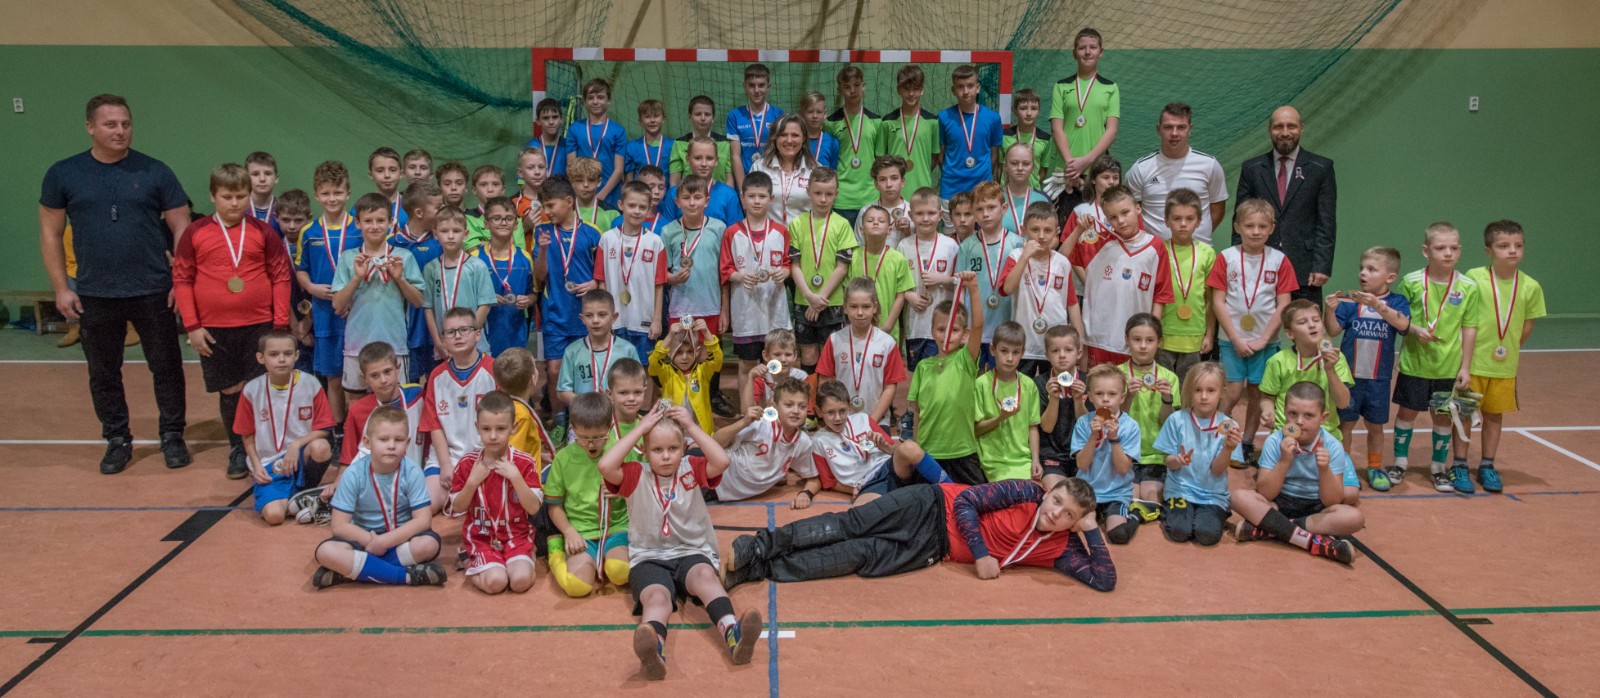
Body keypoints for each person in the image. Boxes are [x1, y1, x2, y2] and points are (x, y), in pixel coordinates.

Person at [39, 93, 193, 474]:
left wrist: (181, 280)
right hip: (94, 293)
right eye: (110, 124)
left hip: (153, 289)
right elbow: (50, 234)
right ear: (90, 127)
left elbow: (182, 226)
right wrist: (61, 288)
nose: (120, 131)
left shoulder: (156, 171)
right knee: (103, 372)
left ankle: (172, 435)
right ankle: (117, 439)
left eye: (125, 123)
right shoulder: (63, 174)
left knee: (167, 367)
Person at [598, 405, 762, 680]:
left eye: (673, 448)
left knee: (705, 578)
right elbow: (605, 465)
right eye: (657, 450)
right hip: (649, 557)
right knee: (657, 598)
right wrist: (640, 428)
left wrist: (690, 427)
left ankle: (734, 634)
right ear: (644, 450)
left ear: (684, 448)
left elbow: (722, 461)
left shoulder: (691, 468)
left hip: (691, 552)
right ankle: (654, 651)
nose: (665, 456)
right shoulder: (636, 474)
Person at [722, 477, 1115, 591]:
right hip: (930, 504)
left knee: (858, 556)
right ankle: (757, 546)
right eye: (1056, 500)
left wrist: (1091, 531)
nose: (1055, 512)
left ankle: (757, 570)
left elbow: (1103, 579)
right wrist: (981, 553)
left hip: (931, 548)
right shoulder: (1025, 492)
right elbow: (967, 502)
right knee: (850, 524)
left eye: (1068, 514)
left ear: (1075, 522)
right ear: (1048, 492)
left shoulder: (1061, 548)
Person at [174, 163, 294, 479]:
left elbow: (281, 276)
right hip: (214, 329)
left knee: (259, 389)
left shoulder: (263, 232)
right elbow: (182, 279)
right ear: (213, 196)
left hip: (260, 326)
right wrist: (192, 326)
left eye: (241, 196)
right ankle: (238, 448)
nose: (234, 203)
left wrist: (280, 326)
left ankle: (267, 447)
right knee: (229, 391)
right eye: (227, 196)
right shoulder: (195, 233)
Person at [310, 405, 447, 588]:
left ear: (407, 443)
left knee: (428, 544)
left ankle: (353, 571)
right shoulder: (353, 474)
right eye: (383, 439)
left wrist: (384, 541)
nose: (391, 446)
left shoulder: (413, 471)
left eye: (398, 440)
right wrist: (371, 541)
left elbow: (423, 520)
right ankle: (405, 576)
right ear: (367, 442)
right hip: (362, 541)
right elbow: (339, 525)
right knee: (326, 552)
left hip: (400, 540)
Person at [1230, 382, 1363, 564]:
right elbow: (1265, 493)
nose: (1299, 421)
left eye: (1308, 415)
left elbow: (1332, 501)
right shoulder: (1274, 441)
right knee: (1238, 497)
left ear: (1323, 418)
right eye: (1293, 414)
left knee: (1354, 517)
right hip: (1279, 503)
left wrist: (1324, 470)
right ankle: (1313, 542)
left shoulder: (1333, 446)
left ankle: (1272, 528)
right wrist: (1284, 462)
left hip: (1315, 510)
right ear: (1284, 413)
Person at [1207, 199, 1297, 462]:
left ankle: (1246, 441)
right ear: (1237, 226)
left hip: (1265, 343)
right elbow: (1218, 301)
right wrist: (1235, 338)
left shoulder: (1279, 260)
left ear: (1271, 228)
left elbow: (1284, 304)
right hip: (1231, 340)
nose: (1255, 231)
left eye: (1262, 226)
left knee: (1258, 394)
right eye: (1249, 226)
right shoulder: (1226, 258)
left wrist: (1264, 339)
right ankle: (1219, 437)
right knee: (1232, 393)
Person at [1393, 223, 1479, 493]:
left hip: (1448, 368)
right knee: (1406, 413)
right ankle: (1399, 462)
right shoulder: (1411, 282)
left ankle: (1438, 468)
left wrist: (1465, 367)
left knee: (1442, 417)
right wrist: (1413, 330)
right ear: (1426, 251)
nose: (1448, 253)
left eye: (1454, 248)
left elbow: (1469, 327)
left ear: (1460, 250)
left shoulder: (1468, 287)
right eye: (1441, 248)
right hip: (1414, 364)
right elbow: (1399, 318)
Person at [1464, 220, 1544, 494]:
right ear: (1489, 251)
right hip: (1472, 363)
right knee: (1464, 415)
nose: (1512, 251)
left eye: (1518, 245)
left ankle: (1487, 465)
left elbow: (1527, 325)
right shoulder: (1474, 278)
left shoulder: (1530, 286)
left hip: (1503, 366)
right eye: (1504, 246)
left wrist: (1508, 349)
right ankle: (1460, 464)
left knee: (1494, 416)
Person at [1324, 246, 1411, 490]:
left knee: (1375, 426)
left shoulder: (1397, 302)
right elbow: (1332, 330)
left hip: (1378, 378)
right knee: (1346, 424)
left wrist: (1378, 305)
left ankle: (1375, 467)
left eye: (1372, 269)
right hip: (1350, 378)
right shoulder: (1350, 302)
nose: (1363, 273)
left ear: (1390, 277)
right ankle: (1344, 466)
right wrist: (1329, 310)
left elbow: (1403, 324)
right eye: (1362, 268)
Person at [1234, 106, 1338, 303]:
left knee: (1305, 322)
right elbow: (1240, 219)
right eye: (1278, 127)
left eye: (1291, 126)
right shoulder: (1252, 168)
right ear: (1269, 130)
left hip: (1305, 269)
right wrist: (1238, 261)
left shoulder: (1321, 168)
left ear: (1301, 128)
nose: (1285, 132)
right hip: (1258, 266)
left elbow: (1327, 222)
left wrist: (1322, 265)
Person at [447, 391, 543, 595]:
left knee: (520, 581)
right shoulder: (467, 464)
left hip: (517, 536)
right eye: (486, 429)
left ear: (513, 428)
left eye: (500, 429)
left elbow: (534, 508)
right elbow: (458, 507)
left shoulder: (524, 462)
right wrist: (472, 482)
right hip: (482, 538)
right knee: (496, 583)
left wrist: (516, 477)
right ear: (477, 428)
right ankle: (469, 560)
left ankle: (524, 556)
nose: (492, 435)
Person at [798, 380, 950, 507]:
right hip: (868, 484)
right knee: (862, 512)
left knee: (909, 447)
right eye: (830, 412)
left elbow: (896, 451)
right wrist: (854, 489)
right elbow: (829, 482)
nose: (837, 418)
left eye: (842, 411)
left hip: (889, 468)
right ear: (819, 411)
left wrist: (885, 446)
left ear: (849, 407)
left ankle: (953, 490)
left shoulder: (863, 419)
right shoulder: (819, 441)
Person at [236, 331, 336, 525]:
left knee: (321, 447)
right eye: (274, 354)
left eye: (288, 354)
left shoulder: (311, 384)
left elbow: (324, 427)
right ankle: (306, 502)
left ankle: (306, 491)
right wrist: (256, 465)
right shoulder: (251, 390)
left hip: (300, 455)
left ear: (296, 355)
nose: (281, 359)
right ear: (261, 358)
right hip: (269, 463)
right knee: (274, 517)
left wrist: (296, 444)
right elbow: (247, 435)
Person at [336, 342, 448, 513]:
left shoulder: (417, 395)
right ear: (364, 378)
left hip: (418, 476)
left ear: (397, 368)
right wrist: (337, 486)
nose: (383, 380)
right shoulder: (358, 410)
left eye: (387, 371)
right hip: (378, 483)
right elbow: (348, 459)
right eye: (374, 375)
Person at [1070, 185, 1173, 367]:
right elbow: (1061, 258)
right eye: (1113, 217)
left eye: (1125, 212)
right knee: (1097, 384)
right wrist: (1078, 230)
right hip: (1097, 337)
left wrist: (1151, 332)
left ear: (1138, 208)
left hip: (1136, 341)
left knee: (1132, 384)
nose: (1121, 221)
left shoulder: (1156, 247)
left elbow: (1161, 295)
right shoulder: (1098, 242)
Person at [332, 194, 425, 393]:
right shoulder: (349, 258)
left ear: (391, 222)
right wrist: (356, 278)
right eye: (368, 221)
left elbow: (418, 301)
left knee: (395, 400)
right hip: (357, 345)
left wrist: (400, 278)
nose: (374, 226)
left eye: (380, 220)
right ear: (357, 223)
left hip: (394, 345)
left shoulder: (403, 257)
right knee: (356, 401)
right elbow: (338, 305)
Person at [544, 392, 632, 598]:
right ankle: (555, 553)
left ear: (610, 426)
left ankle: (606, 559)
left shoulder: (622, 451)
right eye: (583, 438)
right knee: (577, 587)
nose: (591, 444)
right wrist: (569, 532)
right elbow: (554, 506)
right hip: (581, 533)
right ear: (573, 429)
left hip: (617, 528)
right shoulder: (563, 459)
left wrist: (622, 490)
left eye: (598, 437)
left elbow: (642, 492)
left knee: (620, 572)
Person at [295, 161, 359, 434]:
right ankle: (338, 430)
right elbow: (301, 270)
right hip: (324, 313)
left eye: (338, 192)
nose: (332, 198)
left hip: (356, 311)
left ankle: (360, 429)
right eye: (326, 193)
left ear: (348, 193)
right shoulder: (309, 232)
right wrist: (312, 288)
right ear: (316, 195)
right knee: (333, 376)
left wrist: (352, 297)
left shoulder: (359, 228)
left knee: (360, 376)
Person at [907, 272, 986, 485]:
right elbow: (917, 412)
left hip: (962, 452)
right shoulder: (923, 367)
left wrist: (973, 289)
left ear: (965, 335)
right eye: (941, 329)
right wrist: (917, 448)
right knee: (926, 500)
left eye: (954, 330)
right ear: (932, 331)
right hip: (929, 453)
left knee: (975, 499)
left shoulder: (965, 360)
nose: (946, 335)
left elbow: (979, 325)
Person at [533, 178, 603, 411]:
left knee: (585, 371)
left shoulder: (592, 233)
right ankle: (558, 419)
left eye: (551, 205)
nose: (546, 211)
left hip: (585, 315)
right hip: (555, 312)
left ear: (569, 201)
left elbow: (602, 272)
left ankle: (586, 416)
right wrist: (543, 250)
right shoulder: (542, 232)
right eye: (544, 206)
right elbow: (540, 276)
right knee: (554, 371)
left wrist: (594, 283)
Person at [1153, 362, 1242, 546]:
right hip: (1180, 490)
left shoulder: (1230, 427)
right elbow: (1168, 462)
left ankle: (1211, 515)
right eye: (1197, 390)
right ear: (1188, 392)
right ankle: (1175, 512)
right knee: (1179, 531)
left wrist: (1228, 448)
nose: (1204, 396)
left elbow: (1217, 470)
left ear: (1222, 393)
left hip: (1212, 495)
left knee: (1207, 535)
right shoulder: (1176, 419)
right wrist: (1178, 460)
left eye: (1211, 390)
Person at [721, 172, 794, 392]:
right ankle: (747, 407)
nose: (756, 201)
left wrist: (784, 272)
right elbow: (725, 269)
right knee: (747, 365)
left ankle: (776, 405)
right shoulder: (732, 232)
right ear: (742, 198)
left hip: (775, 310)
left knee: (776, 365)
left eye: (762, 196)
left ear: (771, 198)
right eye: (751, 196)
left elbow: (788, 264)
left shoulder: (781, 231)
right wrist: (740, 276)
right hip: (746, 311)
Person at [1124, 102, 1228, 243]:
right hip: (1156, 254)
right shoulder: (1140, 169)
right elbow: (1131, 212)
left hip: (1199, 252)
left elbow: (1217, 210)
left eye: (1181, 127)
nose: (1174, 133)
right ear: (1159, 129)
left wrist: (1196, 237)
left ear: (1190, 129)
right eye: (1168, 127)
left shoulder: (1210, 165)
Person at [999, 202, 1080, 375]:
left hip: (1056, 346)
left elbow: (1072, 303)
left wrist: (1080, 339)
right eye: (1035, 230)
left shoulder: (1062, 263)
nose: (1041, 236)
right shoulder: (1016, 257)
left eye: (1048, 230)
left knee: (1054, 388)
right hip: (1024, 343)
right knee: (1021, 387)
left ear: (1056, 231)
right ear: (1024, 230)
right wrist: (1025, 257)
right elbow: (1007, 289)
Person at [789, 168, 858, 372]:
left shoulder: (842, 224)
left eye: (829, 194)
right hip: (804, 299)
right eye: (818, 193)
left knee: (831, 354)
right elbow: (794, 265)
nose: (823, 199)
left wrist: (821, 298)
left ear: (837, 193)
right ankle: (810, 393)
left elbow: (842, 267)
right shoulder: (797, 223)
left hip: (832, 301)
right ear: (808, 191)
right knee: (808, 353)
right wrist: (810, 296)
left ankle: (829, 394)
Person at [816, 278, 908, 426]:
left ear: (875, 307)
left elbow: (890, 388)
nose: (860, 313)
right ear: (845, 307)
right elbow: (825, 383)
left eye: (866, 307)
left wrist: (871, 421)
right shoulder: (835, 340)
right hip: (841, 421)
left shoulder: (887, 343)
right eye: (854, 306)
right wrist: (834, 416)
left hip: (877, 420)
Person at [709, 376, 813, 502]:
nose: (796, 411)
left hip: (725, 492)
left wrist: (806, 494)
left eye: (802, 406)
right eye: (789, 405)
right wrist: (744, 422)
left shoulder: (803, 442)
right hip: (714, 475)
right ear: (774, 406)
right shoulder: (761, 424)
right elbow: (714, 444)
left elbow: (813, 478)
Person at [594, 181, 668, 358]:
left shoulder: (655, 242)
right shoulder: (607, 239)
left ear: (649, 209)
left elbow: (659, 285)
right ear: (621, 205)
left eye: (642, 207)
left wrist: (657, 320)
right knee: (614, 367)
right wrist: (605, 317)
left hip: (644, 320)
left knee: (644, 368)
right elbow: (602, 283)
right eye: (632, 205)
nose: (637, 211)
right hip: (615, 320)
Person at [423, 308, 498, 480]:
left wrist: (489, 459)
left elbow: (504, 423)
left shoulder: (494, 370)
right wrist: (445, 465)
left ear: (477, 334)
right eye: (451, 332)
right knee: (430, 496)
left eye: (464, 330)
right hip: (445, 458)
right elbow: (434, 426)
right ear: (443, 340)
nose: (458, 336)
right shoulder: (436, 376)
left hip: (486, 456)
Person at [1259, 299, 1353, 437]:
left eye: (1316, 320)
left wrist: (1330, 370)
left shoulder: (1336, 358)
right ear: (1290, 334)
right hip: (1287, 433)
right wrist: (1267, 411)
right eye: (1302, 322)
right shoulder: (1278, 361)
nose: (1311, 325)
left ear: (1323, 327)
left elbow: (1343, 403)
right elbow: (1267, 398)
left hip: (1325, 434)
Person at [1119, 313, 1180, 522]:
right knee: (1131, 498)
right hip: (1125, 453)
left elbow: (1168, 424)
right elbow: (1113, 421)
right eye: (1137, 340)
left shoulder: (1169, 378)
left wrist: (1167, 399)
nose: (1143, 346)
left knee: (1151, 497)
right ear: (1127, 340)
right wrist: (1128, 397)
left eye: (1150, 340)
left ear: (1159, 342)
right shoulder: (1117, 375)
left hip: (1156, 455)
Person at [1071, 364, 1142, 544]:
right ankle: (1099, 514)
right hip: (1087, 491)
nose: (1105, 399)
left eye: (1112, 394)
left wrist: (1114, 438)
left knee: (1118, 535)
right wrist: (1093, 436)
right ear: (1090, 397)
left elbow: (1123, 468)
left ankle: (1137, 514)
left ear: (1122, 397)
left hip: (1117, 493)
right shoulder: (1083, 423)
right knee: (1073, 529)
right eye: (1099, 394)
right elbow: (1081, 464)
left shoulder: (1130, 426)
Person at [1050, 28, 1120, 207]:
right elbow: (1056, 129)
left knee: (1096, 220)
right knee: (1064, 220)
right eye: (1082, 48)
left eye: (1093, 47)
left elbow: (1111, 130)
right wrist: (1071, 165)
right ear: (1074, 53)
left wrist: (1087, 160)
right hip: (1066, 170)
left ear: (1100, 52)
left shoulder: (1111, 87)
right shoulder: (1061, 86)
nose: (1088, 52)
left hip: (1096, 170)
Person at [957, 182, 1024, 368]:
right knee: (972, 375)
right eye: (979, 209)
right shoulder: (967, 246)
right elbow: (960, 289)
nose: (985, 214)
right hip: (974, 326)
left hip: (1006, 325)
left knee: (1003, 375)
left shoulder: (1018, 244)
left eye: (991, 207)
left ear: (1004, 208)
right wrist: (962, 324)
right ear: (973, 212)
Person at [897, 188, 960, 372]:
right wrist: (909, 296)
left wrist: (943, 279)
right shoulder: (904, 245)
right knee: (917, 374)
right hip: (914, 326)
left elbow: (960, 283)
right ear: (911, 215)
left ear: (940, 215)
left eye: (931, 213)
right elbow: (896, 283)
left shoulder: (950, 246)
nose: (926, 218)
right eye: (920, 213)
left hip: (942, 326)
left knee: (939, 374)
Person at [1157, 189, 1217, 380]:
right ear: (1166, 221)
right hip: (1163, 334)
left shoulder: (1207, 253)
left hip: (1194, 335)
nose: (1183, 224)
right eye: (1177, 218)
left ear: (1198, 221)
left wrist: (1209, 335)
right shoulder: (1158, 250)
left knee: (1189, 388)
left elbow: (1211, 299)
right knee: (1162, 387)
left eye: (1189, 219)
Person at [388, 182, 445, 382]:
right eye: (438, 207)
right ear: (419, 212)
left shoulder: (442, 241)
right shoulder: (392, 243)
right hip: (404, 324)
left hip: (437, 323)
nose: (443, 211)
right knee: (409, 382)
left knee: (437, 381)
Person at [662, 175, 730, 339]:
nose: (692, 203)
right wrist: (673, 279)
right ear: (677, 202)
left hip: (711, 307)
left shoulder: (719, 228)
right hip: (679, 309)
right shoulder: (668, 231)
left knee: (709, 354)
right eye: (686, 198)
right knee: (682, 353)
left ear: (707, 201)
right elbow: (662, 273)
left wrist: (725, 310)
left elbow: (724, 274)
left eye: (697, 197)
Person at [974, 321, 1042, 483]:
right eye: (1004, 351)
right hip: (992, 463)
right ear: (993, 350)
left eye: (1016, 352)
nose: (1010, 358)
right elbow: (976, 430)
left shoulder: (1029, 385)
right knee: (1012, 492)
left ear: (1023, 353)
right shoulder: (981, 384)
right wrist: (1001, 417)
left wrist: (1036, 460)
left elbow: (1032, 427)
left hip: (1024, 461)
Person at [422, 208, 494, 358]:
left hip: (474, 345)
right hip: (445, 346)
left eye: (456, 231)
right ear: (435, 234)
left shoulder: (477, 266)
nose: (450, 236)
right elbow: (428, 308)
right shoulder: (431, 269)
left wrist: (469, 336)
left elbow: (485, 305)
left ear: (465, 234)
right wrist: (438, 342)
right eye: (444, 231)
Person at [473, 197, 536, 356]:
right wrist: (485, 299)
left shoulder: (525, 258)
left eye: (509, 218)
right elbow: (464, 298)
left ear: (516, 224)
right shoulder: (475, 258)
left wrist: (528, 300)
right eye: (496, 218)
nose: (503, 223)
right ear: (486, 224)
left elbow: (533, 294)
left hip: (516, 333)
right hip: (483, 335)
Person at [555, 290, 640, 406]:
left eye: (602, 314)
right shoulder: (572, 351)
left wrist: (617, 400)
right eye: (589, 315)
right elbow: (562, 391)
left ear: (614, 317)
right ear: (582, 319)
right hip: (584, 415)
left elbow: (638, 387)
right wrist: (587, 405)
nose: (595, 320)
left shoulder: (627, 350)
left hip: (618, 414)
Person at [938, 64, 1003, 203]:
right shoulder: (943, 117)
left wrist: (982, 176)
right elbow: (940, 155)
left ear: (978, 88)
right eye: (960, 86)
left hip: (982, 189)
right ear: (953, 90)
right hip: (951, 189)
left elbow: (994, 155)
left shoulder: (993, 118)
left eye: (970, 86)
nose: (965, 91)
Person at [826, 66, 882, 224]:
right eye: (847, 87)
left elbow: (880, 161)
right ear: (840, 90)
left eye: (857, 85)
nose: (853, 90)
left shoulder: (876, 121)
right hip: (841, 199)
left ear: (864, 86)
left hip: (870, 197)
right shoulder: (830, 123)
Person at [848, 205, 914, 340]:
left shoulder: (898, 259)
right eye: (870, 220)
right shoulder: (853, 257)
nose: (876, 223)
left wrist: (888, 326)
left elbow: (900, 296)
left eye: (881, 221)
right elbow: (847, 292)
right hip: (856, 328)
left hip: (888, 331)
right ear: (861, 229)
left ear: (889, 230)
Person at [648, 318, 724, 434]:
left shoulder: (703, 371)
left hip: (700, 432)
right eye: (679, 352)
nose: (685, 357)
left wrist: (706, 332)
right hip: (673, 432)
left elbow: (717, 359)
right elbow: (654, 361)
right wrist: (669, 336)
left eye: (689, 352)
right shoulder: (665, 373)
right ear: (669, 352)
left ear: (697, 352)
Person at [1035, 325, 1087, 487]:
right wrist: (1054, 398)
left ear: (1079, 353)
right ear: (1047, 355)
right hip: (1051, 455)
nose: (1062, 355)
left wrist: (1078, 400)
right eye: (1055, 351)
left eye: (1068, 350)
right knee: (1057, 491)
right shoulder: (1039, 384)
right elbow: (1047, 427)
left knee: (1083, 495)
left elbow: (1088, 427)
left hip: (1082, 454)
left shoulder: (1088, 382)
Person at [565, 78, 628, 207]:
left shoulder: (618, 131)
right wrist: (581, 192)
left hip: (610, 195)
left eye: (600, 97)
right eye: (590, 98)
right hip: (582, 194)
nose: (595, 102)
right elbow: (572, 166)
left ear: (609, 100)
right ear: (584, 101)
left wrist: (601, 195)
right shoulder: (574, 129)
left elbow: (619, 170)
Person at [747, 114, 816, 225]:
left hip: (804, 234)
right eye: (783, 135)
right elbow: (750, 205)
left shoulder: (815, 170)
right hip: (768, 234)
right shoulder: (759, 168)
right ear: (775, 138)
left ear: (803, 138)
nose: (789, 140)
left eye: (795, 135)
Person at [660, 136, 744, 226]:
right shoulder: (674, 193)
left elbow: (735, 232)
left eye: (709, 158)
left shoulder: (729, 195)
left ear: (716, 161)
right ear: (688, 160)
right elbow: (667, 230)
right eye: (698, 158)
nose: (704, 164)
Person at [882, 65, 940, 196]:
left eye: (916, 88)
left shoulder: (932, 122)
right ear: (898, 90)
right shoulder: (887, 122)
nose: (911, 93)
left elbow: (934, 158)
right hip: (894, 191)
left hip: (922, 189)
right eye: (906, 89)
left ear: (922, 90)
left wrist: (921, 172)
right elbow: (881, 158)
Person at [491, 347, 551, 466]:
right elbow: (510, 459)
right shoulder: (520, 415)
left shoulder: (501, 405)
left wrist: (538, 455)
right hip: (524, 477)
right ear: (533, 379)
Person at [728, 63, 782, 188]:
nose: (757, 90)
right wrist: (743, 189)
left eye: (761, 85)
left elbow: (780, 152)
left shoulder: (778, 114)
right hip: (744, 179)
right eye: (751, 85)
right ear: (744, 87)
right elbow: (735, 156)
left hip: (772, 180)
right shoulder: (735, 115)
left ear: (768, 87)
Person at [668, 95, 733, 186]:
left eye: (707, 114)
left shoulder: (725, 143)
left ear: (713, 118)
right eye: (698, 114)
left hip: (718, 194)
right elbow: (674, 182)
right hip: (690, 193)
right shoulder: (678, 144)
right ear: (690, 116)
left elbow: (729, 179)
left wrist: (727, 195)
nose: (703, 118)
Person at [1001, 89, 1056, 191]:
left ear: (1039, 111)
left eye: (1034, 108)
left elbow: (1043, 170)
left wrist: (1033, 186)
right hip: (1006, 192)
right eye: (1023, 108)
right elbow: (999, 167)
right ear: (1015, 111)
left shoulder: (1045, 139)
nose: (1029, 113)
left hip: (1032, 193)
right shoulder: (1004, 136)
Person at [743, 328, 807, 411]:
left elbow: (807, 408)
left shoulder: (801, 378)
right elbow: (746, 411)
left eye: (788, 354)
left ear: (795, 355)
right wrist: (751, 377)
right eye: (777, 354)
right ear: (766, 355)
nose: (783, 359)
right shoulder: (761, 378)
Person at [859, 156, 914, 248]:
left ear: (902, 182)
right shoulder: (865, 212)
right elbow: (859, 246)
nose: (889, 184)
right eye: (882, 179)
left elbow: (921, 248)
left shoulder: (913, 212)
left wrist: (908, 233)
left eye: (894, 178)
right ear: (876, 184)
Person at [999, 143, 1050, 236]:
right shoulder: (994, 197)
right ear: (1005, 166)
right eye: (1014, 163)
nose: (1020, 168)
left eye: (1026, 164)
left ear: (1033, 167)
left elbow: (1053, 238)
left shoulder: (1042, 199)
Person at [624, 99, 674, 183]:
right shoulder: (632, 147)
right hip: (640, 191)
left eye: (656, 116)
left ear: (663, 119)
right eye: (647, 116)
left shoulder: (673, 146)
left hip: (665, 191)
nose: (652, 120)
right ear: (640, 121)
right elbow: (629, 182)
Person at [570, 157, 620, 233]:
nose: (586, 185)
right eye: (580, 180)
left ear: (599, 182)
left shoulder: (612, 213)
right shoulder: (565, 211)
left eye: (591, 180)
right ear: (572, 182)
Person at [366, 147, 408, 233]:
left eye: (393, 170)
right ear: (371, 175)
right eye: (380, 171)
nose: (387, 175)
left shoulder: (411, 208)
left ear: (401, 174)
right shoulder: (361, 208)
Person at [797, 91, 839, 169]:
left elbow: (834, 172)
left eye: (819, 112)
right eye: (810, 112)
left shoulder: (832, 143)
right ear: (801, 114)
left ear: (825, 114)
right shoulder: (795, 140)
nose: (815, 116)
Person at [533, 97, 570, 179]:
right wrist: (522, 185)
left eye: (555, 117)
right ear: (538, 121)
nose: (551, 122)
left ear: (561, 120)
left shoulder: (568, 146)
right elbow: (521, 179)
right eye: (546, 118)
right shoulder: (531, 146)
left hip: (563, 187)